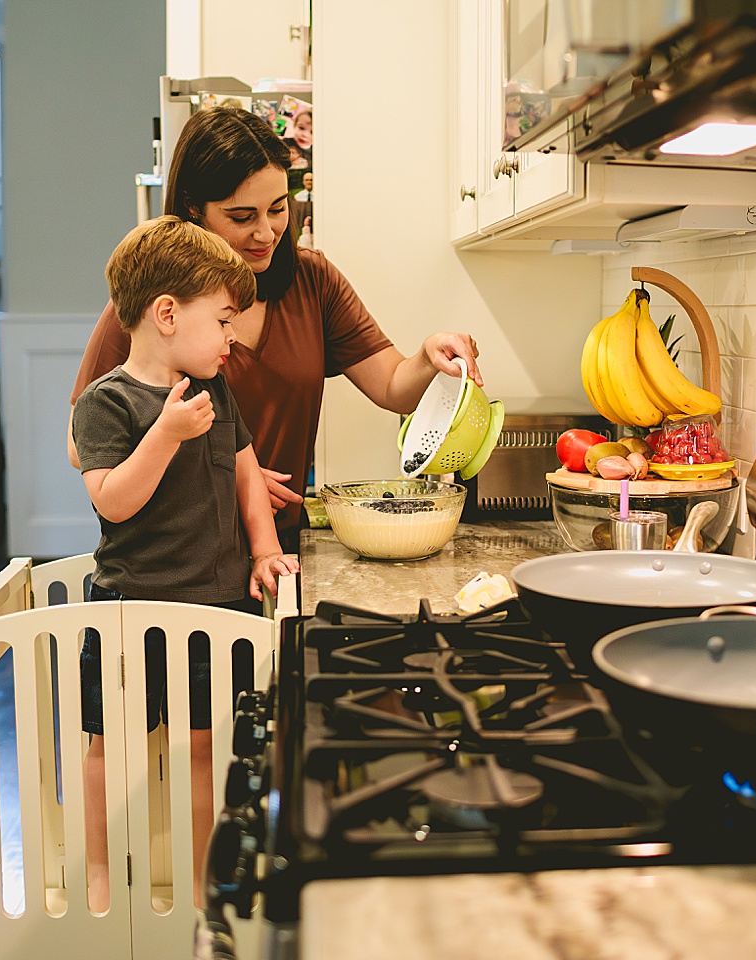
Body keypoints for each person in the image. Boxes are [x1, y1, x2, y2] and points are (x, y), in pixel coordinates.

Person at [69, 106, 482, 553]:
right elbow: (83, 446)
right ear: (194, 207)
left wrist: (427, 356)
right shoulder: (154, 305)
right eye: (242, 217)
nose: (267, 232)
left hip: (277, 549)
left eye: (278, 208)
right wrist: (226, 477)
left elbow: (392, 386)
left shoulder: (313, 281)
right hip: (173, 559)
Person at [71, 214, 300, 912]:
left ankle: (206, 880)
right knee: (108, 749)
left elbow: (244, 474)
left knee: (208, 749)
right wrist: (166, 434)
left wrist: (264, 548)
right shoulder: (105, 403)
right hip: (127, 607)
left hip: (216, 604)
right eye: (224, 318)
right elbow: (113, 502)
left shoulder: (216, 391)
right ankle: (100, 879)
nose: (232, 336)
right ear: (166, 313)